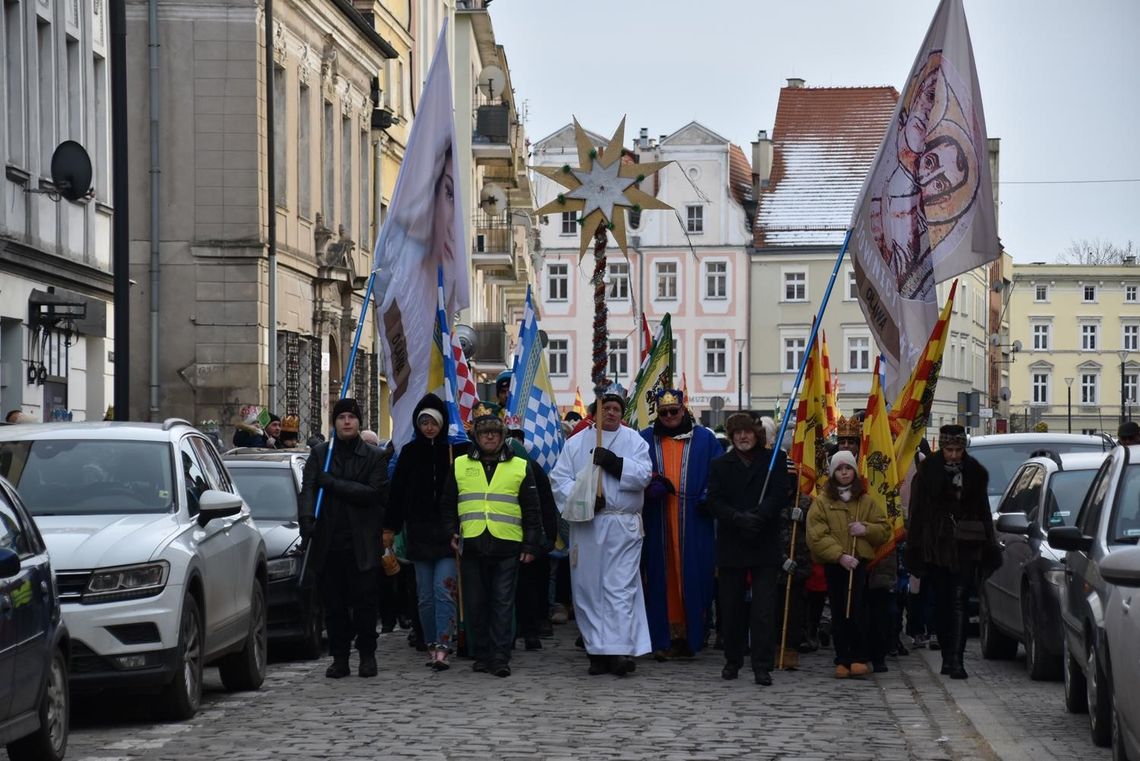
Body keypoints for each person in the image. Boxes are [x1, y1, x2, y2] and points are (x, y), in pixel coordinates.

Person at [550, 386, 653, 676]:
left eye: (616, 409)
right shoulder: (576, 443)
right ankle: (596, 650)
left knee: (618, 587)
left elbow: (644, 474)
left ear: (622, 413)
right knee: (588, 588)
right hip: (588, 524)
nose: (611, 413)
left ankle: (618, 651)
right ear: (595, 412)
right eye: (605, 408)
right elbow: (559, 480)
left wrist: (616, 464)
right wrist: (584, 499)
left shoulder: (633, 440)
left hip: (622, 524)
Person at [442, 404, 542, 678]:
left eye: (494, 434)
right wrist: (451, 530)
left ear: (502, 437)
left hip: (507, 543)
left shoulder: (519, 466)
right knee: (476, 603)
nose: (489, 438)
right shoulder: (460, 464)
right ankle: (483, 653)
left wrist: (531, 545)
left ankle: (500, 656)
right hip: (472, 542)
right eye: (484, 433)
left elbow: (532, 509)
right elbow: (448, 503)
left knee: (502, 603)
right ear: (475, 436)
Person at [298, 398, 388, 679]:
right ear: (334, 423)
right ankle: (339, 657)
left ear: (359, 422)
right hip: (328, 541)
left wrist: (334, 484)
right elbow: (308, 489)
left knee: (364, 604)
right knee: (334, 605)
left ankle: (367, 655)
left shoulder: (374, 456)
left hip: (361, 542)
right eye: (341, 417)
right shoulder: (320, 454)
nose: (346, 421)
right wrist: (307, 521)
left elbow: (372, 493)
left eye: (351, 417)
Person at [905, 425, 1000, 680]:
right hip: (935, 546)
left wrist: (990, 546)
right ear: (942, 448)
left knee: (958, 600)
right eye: (949, 450)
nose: (954, 455)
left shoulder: (975, 474)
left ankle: (956, 660)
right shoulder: (926, 474)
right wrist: (913, 547)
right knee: (941, 603)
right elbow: (916, 514)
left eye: (958, 450)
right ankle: (948, 654)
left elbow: (984, 513)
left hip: (966, 547)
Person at [704, 412, 787, 686]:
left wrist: (759, 516)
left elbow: (779, 495)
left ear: (756, 434)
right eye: (737, 432)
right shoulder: (720, 464)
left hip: (764, 542)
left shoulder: (774, 460)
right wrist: (738, 518)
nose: (742, 437)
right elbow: (714, 500)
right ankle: (732, 660)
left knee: (763, 609)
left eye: (747, 432)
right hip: (733, 542)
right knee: (731, 608)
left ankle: (762, 664)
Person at [638, 389, 719, 660]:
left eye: (674, 411)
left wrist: (709, 495)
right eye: (664, 412)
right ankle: (663, 637)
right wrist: (649, 486)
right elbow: (634, 472)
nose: (670, 416)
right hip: (657, 519)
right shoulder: (645, 439)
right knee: (660, 577)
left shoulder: (705, 439)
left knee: (696, 577)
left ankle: (692, 635)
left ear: (683, 410)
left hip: (695, 520)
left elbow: (719, 473)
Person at [386, 394, 466, 670]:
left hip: (447, 533)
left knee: (444, 590)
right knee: (425, 595)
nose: (428, 427)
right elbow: (396, 493)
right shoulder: (409, 453)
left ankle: (445, 644)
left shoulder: (456, 452)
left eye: (433, 422)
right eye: (423, 422)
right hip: (419, 534)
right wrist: (390, 527)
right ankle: (431, 641)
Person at [807, 450, 891, 679]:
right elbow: (816, 535)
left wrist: (866, 529)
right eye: (840, 469)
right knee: (838, 609)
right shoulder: (823, 502)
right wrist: (839, 555)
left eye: (848, 468)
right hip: (836, 565)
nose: (844, 473)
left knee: (857, 610)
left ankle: (859, 656)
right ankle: (842, 657)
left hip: (859, 564)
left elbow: (883, 529)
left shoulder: (865, 501)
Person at [504, 415, 559, 651]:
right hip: (507, 535)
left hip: (532, 538)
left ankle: (533, 629)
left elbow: (546, 505)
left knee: (531, 587)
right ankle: (512, 630)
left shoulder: (533, 468)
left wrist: (547, 537)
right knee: (510, 588)